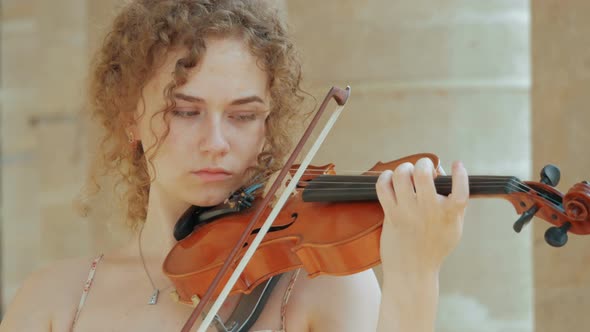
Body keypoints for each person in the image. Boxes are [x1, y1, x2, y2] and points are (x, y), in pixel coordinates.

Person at [0, 0, 469, 331]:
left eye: (244, 116)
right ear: (130, 121)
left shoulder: (323, 289)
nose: (217, 143)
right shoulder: (55, 301)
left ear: (268, 123)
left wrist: (415, 274)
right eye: (185, 112)